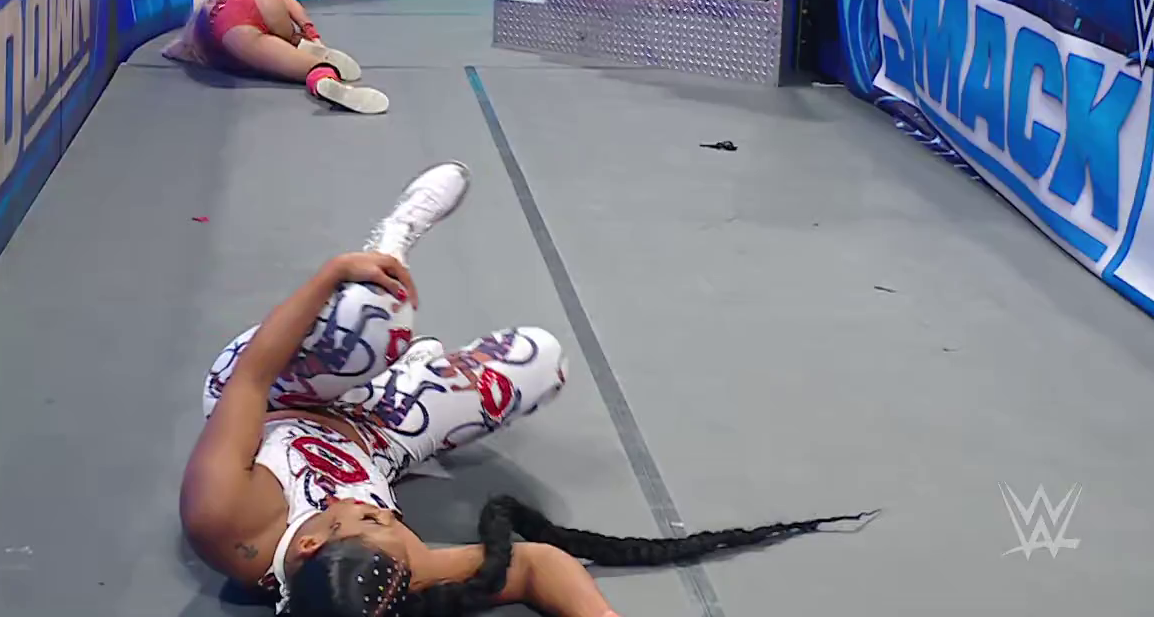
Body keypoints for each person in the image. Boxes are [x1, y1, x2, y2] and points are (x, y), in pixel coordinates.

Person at [181, 162, 875, 617]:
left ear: (308, 546)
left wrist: (334, 271)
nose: (388, 518)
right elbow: (537, 563)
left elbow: (253, 374)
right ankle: (406, 374)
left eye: (371, 518)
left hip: (280, 397)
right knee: (541, 360)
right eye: (387, 525)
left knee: (371, 317)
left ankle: (389, 242)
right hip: (372, 438)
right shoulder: (398, 572)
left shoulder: (225, 518)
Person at [162, 0, 386, 114]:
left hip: (232, 29)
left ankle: (322, 75)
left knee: (304, 66)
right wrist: (313, 34)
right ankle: (302, 43)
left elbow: (177, 52)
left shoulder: (198, 38)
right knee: (286, 36)